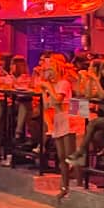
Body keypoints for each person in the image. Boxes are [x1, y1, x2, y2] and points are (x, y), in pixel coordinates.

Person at [39, 59, 74, 197]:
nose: (49, 73)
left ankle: (74, 184)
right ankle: (64, 186)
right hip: (58, 119)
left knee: (68, 156)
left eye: (50, 70)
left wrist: (48, 88)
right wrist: (44, 91)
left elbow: (58, 100)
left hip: (68, 118)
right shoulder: (53, 85)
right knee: (61, 156)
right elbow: (48, 105)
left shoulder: (64, 83)